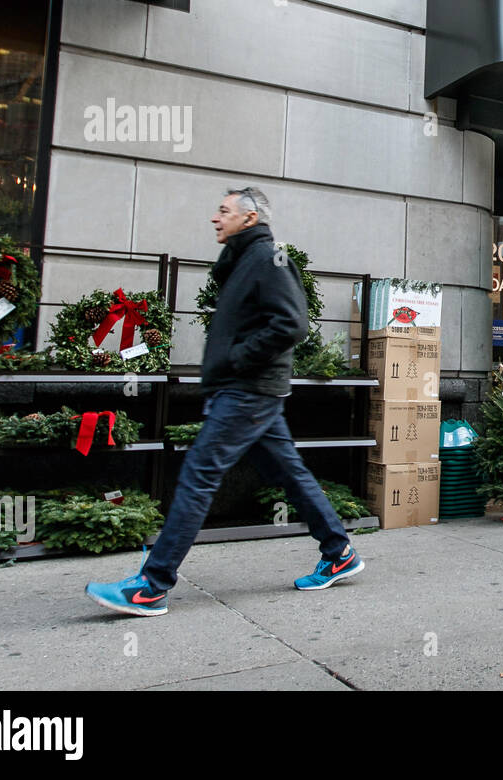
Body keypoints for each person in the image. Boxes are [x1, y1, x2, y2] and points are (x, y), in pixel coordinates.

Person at [86, 187, 363, 616]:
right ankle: (339, 550)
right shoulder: (242, 263)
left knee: (199, 476)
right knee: (289, 473)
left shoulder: (270, 260)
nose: (215, 218)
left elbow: (292, 324)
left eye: (223, 211)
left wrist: (238, 360)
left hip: (247, 391)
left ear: (249, 218)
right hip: (249, 391)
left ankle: (152, 586)